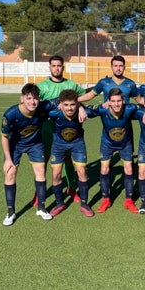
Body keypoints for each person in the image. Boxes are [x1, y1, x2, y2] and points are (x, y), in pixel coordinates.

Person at [0, 83, 60, 226]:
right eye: (29, 98)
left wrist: (83, 104)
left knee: (40, 173)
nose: (33, 102)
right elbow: (4, 137)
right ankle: (10, 212)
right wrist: (8, 159)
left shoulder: (43, 107)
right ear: (22, 99)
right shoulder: (10, 114)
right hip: (15, 145)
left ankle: (42, 208)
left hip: (35, 144)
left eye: (35, 98)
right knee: (10, 173)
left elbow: (66, 98)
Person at [36, 55, 86, 205]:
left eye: (59, 66)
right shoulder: (42, 86)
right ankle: (39, 192)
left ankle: (72, 188)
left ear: (63, 67)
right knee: (43, 159)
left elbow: (83, 97)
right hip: (47, 128)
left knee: (69, 158)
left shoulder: (71, 84)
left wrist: (81, 107)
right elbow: (32, 103)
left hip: (67, 129)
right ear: (49, 67)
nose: (56, 68)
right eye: (54, 66)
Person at [87, 87, 140, 214]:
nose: (116, 104)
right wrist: (81, 110)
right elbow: (84, 109)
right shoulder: (102, 109)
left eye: (119, 101)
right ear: (108, 101)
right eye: (113, 101)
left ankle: (129, 200)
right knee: (104, 169)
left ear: (123, 101)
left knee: (129, 169)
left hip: (125, 143)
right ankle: (106, 199)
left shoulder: (130, 108)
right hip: (107, 143)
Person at [47, 89, 94, 218]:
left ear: (76, 103)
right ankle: (60, 203)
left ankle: (84, 204)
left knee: (82, 171)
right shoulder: (54, 113)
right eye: (66, 105)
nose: (69, 108)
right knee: (56, 174)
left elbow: (100, 110)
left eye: (72, 104)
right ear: (61, 104)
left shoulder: (83, 113)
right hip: (58, 145)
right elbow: (37, 109)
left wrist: (83, 107)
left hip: (77, 144)